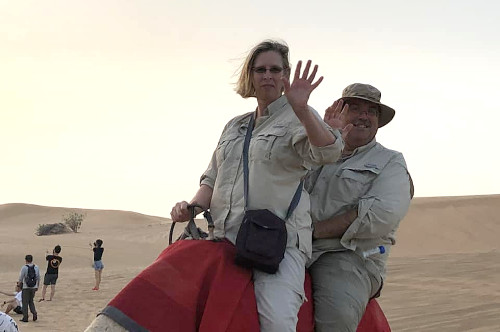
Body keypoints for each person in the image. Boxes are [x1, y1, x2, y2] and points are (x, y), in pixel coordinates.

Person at [86, 39, 344, 332]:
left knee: (277, 322)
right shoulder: (235, 126)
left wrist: (302, 108)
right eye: (261, 70)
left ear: (286, 76)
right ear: (251, 76)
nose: (268, 76)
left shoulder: (299, 118)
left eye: (275, 69)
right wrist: (192, 206)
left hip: (277, 244)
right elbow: (212, 178)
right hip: (224, 236)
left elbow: (328, 152)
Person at [306, 83, 413, 331]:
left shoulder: (390, 162)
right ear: (340, 112)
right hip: (292, 244)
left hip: (350, 255)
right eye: (355, 108)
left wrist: (311, 231)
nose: (364, 116)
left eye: (372, 111)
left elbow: (380, 215)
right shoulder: (310, 150)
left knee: (336, 318)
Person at [17, 254, 40, 323]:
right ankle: (34, 312)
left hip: (26, 287)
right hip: (34, 287)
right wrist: (37, 286)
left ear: (26, 260)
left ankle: (25, 317)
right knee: (31, 301)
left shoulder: (24, 267)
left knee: (25, 302)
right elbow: (38, 277)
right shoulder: (36, 267)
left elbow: (21, 278)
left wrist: (18, 284)